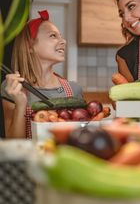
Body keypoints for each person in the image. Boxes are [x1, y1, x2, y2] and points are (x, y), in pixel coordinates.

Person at [1, 10, 83, 139]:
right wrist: (21, 104)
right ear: (30, 46)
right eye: (53, 36)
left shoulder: (73, 90)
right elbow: (15, 143)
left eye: (60, 36)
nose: (63, 41)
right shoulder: (13, 87)